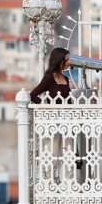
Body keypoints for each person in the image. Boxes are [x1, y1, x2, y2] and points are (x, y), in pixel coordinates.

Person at [30, 48, 72, 181]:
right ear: (59, 61)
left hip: (67, 121)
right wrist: (43, 105)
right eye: (66, 60)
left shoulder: (65, 78)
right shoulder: (49, 78)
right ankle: (49, 182)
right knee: (52, 153)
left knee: (69, 154)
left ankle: (69, 185)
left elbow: (68, 100)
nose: (69, 62)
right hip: (52, 121)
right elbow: (33, 95)